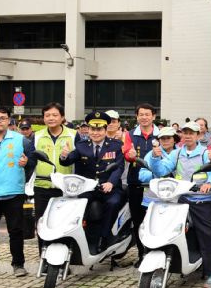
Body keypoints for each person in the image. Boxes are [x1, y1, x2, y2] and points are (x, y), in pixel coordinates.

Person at [150, 122, 211, 288]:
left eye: (192, 133)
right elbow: (161, 170)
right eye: (185, 133)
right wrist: (155, 158)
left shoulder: (205, 153)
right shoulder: (176, 154)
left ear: (198, 135)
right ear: (181, 135)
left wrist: (209, 184)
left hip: (200, 199)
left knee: (206, 233)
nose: (188, 136)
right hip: (180, 198)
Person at [0, 105, 35, 278]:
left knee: (16, 231)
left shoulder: (21, 140)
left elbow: (32, 162)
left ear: (9, 120)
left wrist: (24, 171)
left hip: (13, 192)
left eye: (2, 118)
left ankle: (18, 265)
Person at [60, 111, 125, 254]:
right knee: (76, 204)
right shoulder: (81, 145)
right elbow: (68, 161)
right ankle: (77, 237)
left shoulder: (115, 145)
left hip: (109, 188)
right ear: (88, 130)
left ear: (105, 129)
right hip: (88, 188)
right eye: (93, 129)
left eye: (99, 129)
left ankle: (105, 236)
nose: (96, 133)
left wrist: (111, 183)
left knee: (113, 203)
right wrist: (64, 156)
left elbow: (119, 167)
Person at [32, 102, 77, 252]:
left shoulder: (73, 135)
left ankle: (63, 259)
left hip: (65, 188)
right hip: (42, 187)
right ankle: (44, 257)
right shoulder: (37, 136)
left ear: (62, 117)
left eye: (55, 115)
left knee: (63, 224)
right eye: (47, 115)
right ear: (43, 118)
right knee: (42, 223)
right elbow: (31, 161)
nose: (51, 118)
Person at [121, 103, 160, 267]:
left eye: (147, 114)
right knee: (138, 220)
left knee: (156, 220)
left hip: (157, 184)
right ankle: (142, 253)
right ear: (137, 117)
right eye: (141, 114)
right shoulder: (130, 134)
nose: (144, 117)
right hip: (136, 182)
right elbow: (127, 153)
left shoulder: (161, 134)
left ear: (153, 117)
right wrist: (129, 156)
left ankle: (157, 252)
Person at [137, 126, 179, 205]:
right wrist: (155, 175)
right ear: (159, 140)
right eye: (163, 138)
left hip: (175, 197)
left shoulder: (181, 153)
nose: (165, 141)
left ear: (175, 140)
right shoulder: (151, 154)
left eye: (168, 138)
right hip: (154, 197)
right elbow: (142, 175)